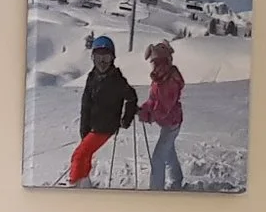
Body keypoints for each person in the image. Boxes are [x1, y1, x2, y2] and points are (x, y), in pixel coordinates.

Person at [67, 35, 139, 187]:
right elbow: (86, 104)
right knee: (85, 155)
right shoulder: (92, 77)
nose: (102, 62)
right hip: (92, 126)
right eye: (98, 58)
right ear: (93, 58)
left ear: (112, 59)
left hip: (106, 127)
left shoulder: (116, 80)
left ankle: (74, 185)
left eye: (106, 58)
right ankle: (83, 184)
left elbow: (131, 97)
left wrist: (126, 119)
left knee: (78, 156)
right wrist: (84, 128)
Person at [138, 39, 186, 191]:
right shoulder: (158, 80)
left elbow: (164, 108)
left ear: (168, 62)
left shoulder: (170, 81)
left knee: (158, 158)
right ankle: (176, 179)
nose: (156, 66)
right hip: (167, 123)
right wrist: (143, 108)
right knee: (168, 151)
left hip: (172, 122)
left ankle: (156, 190)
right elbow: (153, 100)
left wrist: (148, 116)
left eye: (160, 62)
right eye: (154, 63)